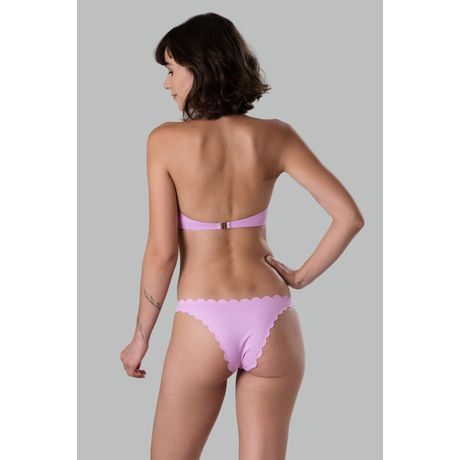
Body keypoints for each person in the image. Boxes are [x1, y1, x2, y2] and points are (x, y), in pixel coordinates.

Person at [120, 12, 365, 460]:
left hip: (202, 322)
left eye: (172, 69)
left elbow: (162, 253)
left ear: (200, 66)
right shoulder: (276, 135)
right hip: (273, 319)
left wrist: (141, 338)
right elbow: (349, 216)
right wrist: (300, 277)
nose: (167, 84)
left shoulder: (164, 142)